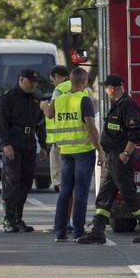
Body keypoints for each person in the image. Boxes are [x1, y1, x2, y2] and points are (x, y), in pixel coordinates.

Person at [76, 74, 140, 244]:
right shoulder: (118, 105)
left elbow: (136, 132)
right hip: (111, 157)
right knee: (105, 194)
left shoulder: (128, 105)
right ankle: (98, 230)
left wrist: (126, 153)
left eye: (105, 89)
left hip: (121, 158)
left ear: (111, 89)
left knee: (128, 193)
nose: (105, 91)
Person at [47, 67, 102, 241]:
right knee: (81, 192)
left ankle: (60, 231)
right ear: (85, 82)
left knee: (65, 192)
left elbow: (50, 115)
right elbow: (91, 127)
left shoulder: (59, 100)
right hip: (83, 151)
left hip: (65, 151)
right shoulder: (84, 99)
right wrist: (100, 150)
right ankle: (78, 231)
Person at [0, 68, 47, 233]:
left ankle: (18, 218)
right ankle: (8, 220)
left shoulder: (35, 100)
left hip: (29, 144)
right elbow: (1, 123)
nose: (33, 85)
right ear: (21, 80)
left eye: (35, 82)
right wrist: (5, 144)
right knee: (12, 181)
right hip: (13, 143)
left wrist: (44, 146)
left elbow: (39, 124)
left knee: (26, 181)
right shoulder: (7, 98)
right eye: (30, 81)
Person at [42, 65, 71, 195]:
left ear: (57, 77)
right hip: (76, 142)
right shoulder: (81, 88)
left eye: (52, 80)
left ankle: (65, 211)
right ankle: (73, 213)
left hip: (59, 142)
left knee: (60, 181)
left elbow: (49, 113)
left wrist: (44, 106)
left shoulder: (59, 89)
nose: (53, 83)